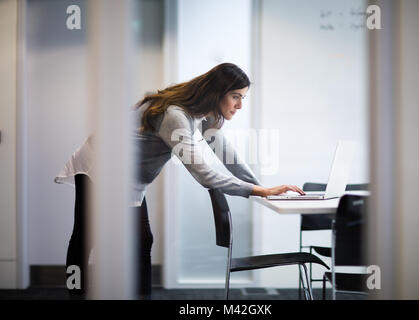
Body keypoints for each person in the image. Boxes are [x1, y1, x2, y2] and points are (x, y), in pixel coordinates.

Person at [55, 63, 305, 298]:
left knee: (143, 239)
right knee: (85, 236)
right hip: (100, 165)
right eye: (236, 96)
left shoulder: (204, 115)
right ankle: (74, 294)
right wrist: (259, 191)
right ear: (217, 93)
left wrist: (264, 189)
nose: (240, 105)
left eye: (243, 97)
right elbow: (204, 174)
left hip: (129, 178)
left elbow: (228, 158)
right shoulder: (175, 116)